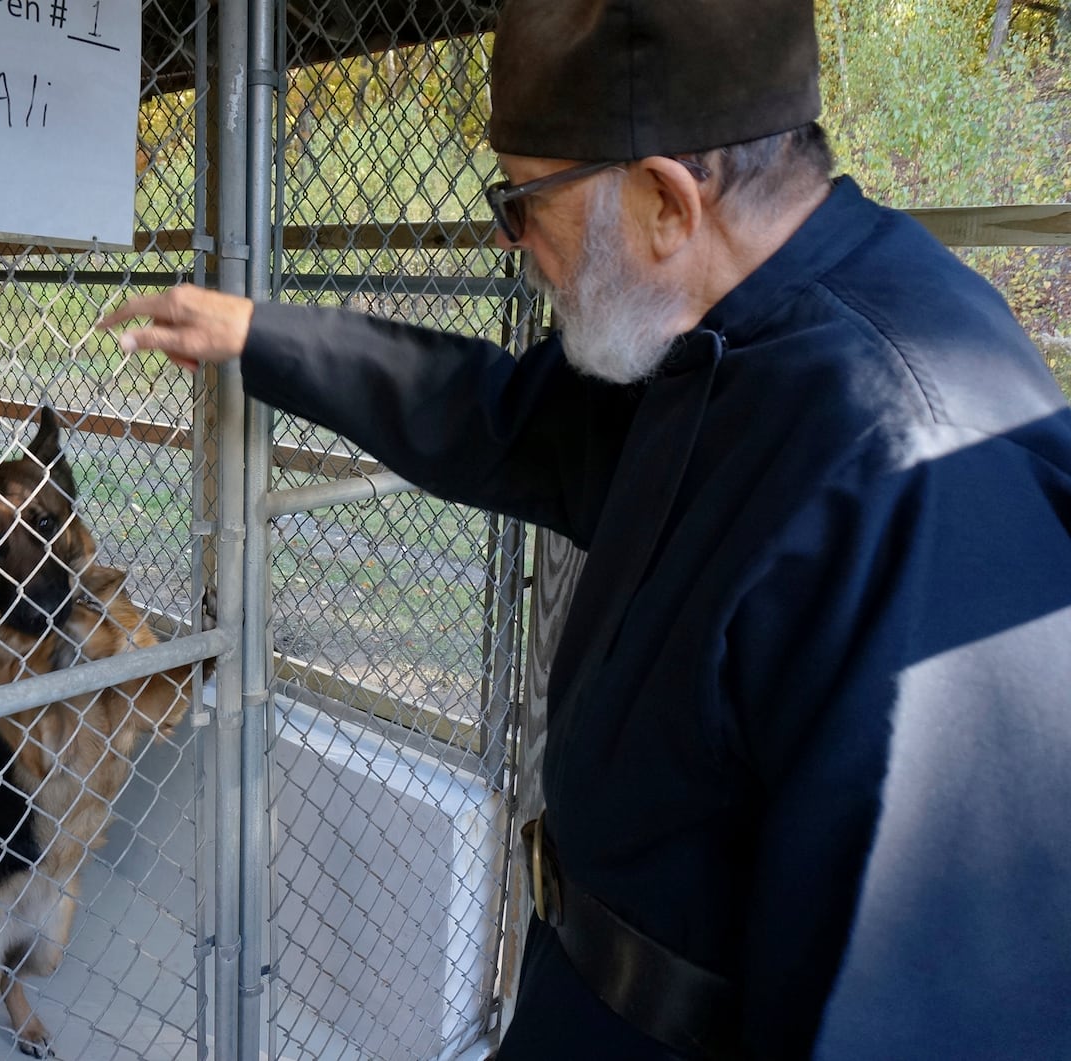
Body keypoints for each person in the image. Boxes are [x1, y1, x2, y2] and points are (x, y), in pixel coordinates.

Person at [98, 1, 1071, 1057]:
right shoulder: (727, 330)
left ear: (663, 197)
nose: (514, 242)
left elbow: (931, 1006)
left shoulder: (914, 466)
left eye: (522, 201)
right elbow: (501, 421)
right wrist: (262, 335)